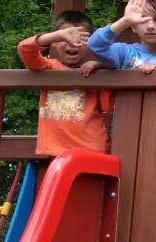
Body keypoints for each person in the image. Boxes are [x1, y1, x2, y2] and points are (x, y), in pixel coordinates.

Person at [16, 11, 112, 156]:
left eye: (79, 39)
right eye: (64, 39)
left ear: (91, 43)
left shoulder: (95, 70)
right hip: (55, 152)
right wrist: (57, 35)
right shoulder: (48, 67)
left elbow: (108, 105)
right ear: (54, 42)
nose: (72, 43)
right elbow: (24, 49)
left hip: (92, 149)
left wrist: (101, 65)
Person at [87, 0, 156, 72]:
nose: (150, 26)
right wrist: (125, 21)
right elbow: (95, 45)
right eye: (143, 20)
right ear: (133, 27)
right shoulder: (124, 52)